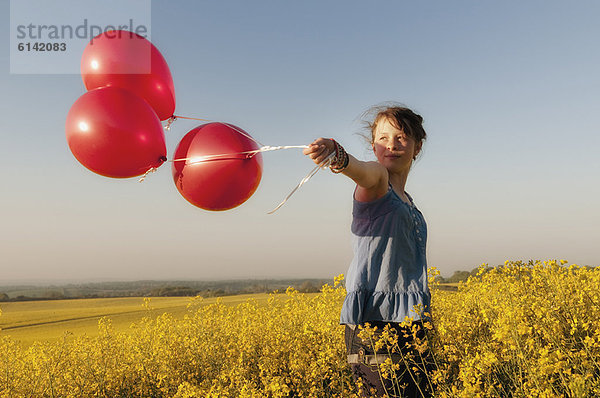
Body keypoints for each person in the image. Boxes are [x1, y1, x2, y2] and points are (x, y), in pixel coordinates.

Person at [303, 105, 432, 397]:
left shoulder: (408, 201)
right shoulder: (377, 182)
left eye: (402, 137)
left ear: (417, 146)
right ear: (373, 145)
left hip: (412, 321)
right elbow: (360, 170)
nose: (392, 145)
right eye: (383, 137)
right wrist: (337, 155)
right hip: (374, 322)